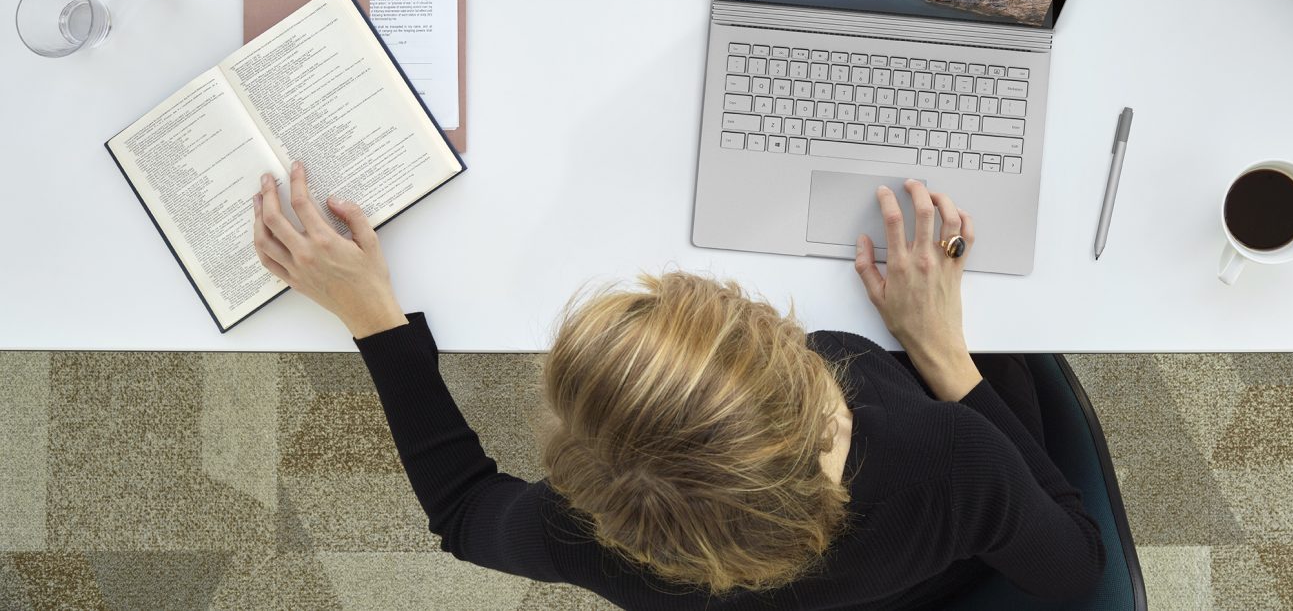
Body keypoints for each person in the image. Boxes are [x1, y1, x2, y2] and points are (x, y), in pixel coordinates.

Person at [252, 162, 1105, 609]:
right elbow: (1072, 567)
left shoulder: (602, 537)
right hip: (944, 555)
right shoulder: (947, 460)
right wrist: (943, 353)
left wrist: (377, 324)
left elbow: (466, 516)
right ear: (823, 414)